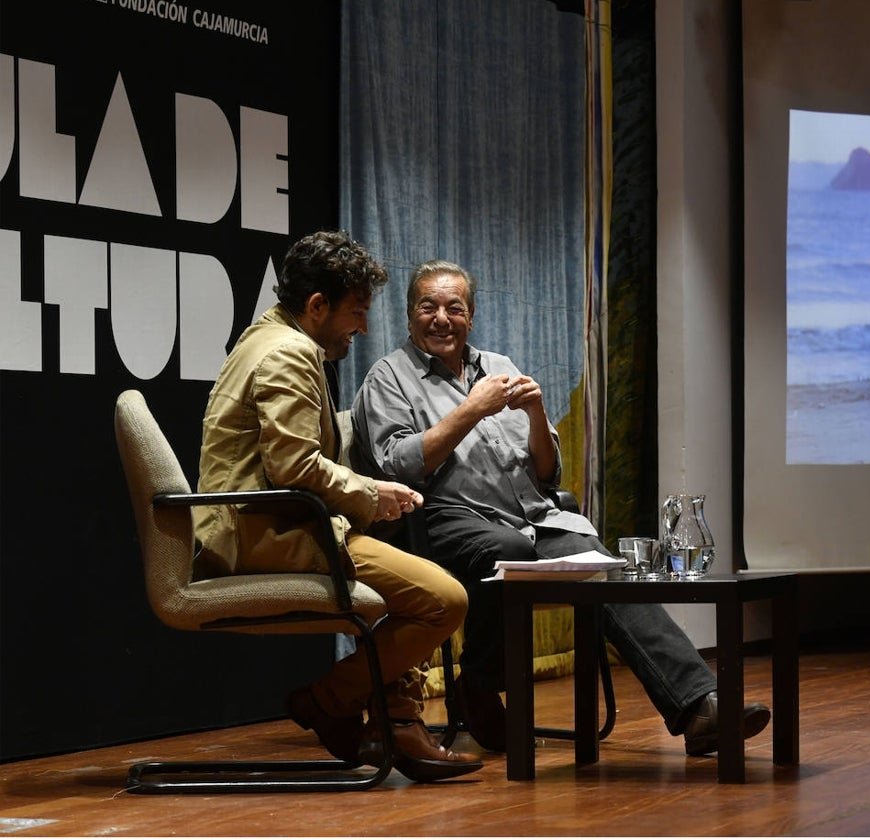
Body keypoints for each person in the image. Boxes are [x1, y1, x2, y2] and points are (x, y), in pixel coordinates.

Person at [350, 258, 771, 756]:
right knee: (505, 549)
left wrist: (536, 412)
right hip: (444, 519)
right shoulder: (388, 377)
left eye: (454, 308)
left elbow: (547, 472)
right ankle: (480, 685)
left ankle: (699, 705)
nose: (441, 318)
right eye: (429, 306)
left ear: (471, 316)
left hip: (534, 516)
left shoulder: (500, 366)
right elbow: (396, 466)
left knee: (598, 561)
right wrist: (470, 410)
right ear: (409, 315)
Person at [194, 231, 482, 783]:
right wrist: (372, 492)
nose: (364, 328)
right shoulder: (289, 353)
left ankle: (395, 720)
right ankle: (328, 701)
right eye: (356, 312)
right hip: (263, 533)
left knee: (401, 541)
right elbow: (294, 467)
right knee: (444, 600)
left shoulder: (265, 335)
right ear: (317, 306)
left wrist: (367, 486)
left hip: (266, 523)